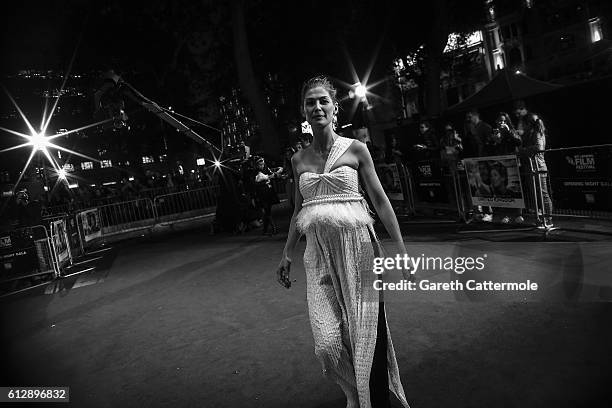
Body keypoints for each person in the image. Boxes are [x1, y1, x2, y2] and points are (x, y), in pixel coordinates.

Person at [277, 76, 410, 408]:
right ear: (304, 113)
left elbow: (380, 201)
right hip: (318, 255)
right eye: (310, 102)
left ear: (335, 108)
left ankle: (373, 401)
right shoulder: (298, 161)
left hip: (359, 252)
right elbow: (298, 211)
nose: (317, 106)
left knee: (367, 335)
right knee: (327, 344)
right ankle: (352, 390)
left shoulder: (356, 149)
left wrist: (402, 250)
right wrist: (286, 253)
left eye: (323, 101)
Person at [514, 100, 553, 228]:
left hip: (539, 166)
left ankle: (548, 220)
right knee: (537, 194)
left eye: (525, 124)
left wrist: (522, 151)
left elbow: (538, 147)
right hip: (532, 167)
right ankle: (541, 219)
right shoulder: (530, 133)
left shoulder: (537, 132)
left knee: (543, 194)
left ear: (529, 123)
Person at [464, 109, 493, 222]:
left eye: (470, 116)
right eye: (467, 117)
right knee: (475, 188)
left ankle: (488, 212)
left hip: (483, 161)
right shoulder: (469, 128)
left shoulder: (485, 127)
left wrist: (485, 158)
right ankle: (478, 212)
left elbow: (489, 143)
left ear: (476, 116)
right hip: (472, 162)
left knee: (484, 187)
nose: (468, 119)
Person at [254, 156, 282, 235]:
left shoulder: (266, 168)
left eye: (262, 164)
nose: (261, 166)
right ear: (256, 165)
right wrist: (269, 177)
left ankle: (265, 230)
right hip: (261, 194)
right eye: (259, 164)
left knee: (267, 211)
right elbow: (257, 181)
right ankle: (274, 228)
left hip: (268, 192)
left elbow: (272, 174)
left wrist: (276, 173)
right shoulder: (255, 172)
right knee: (267, 211)